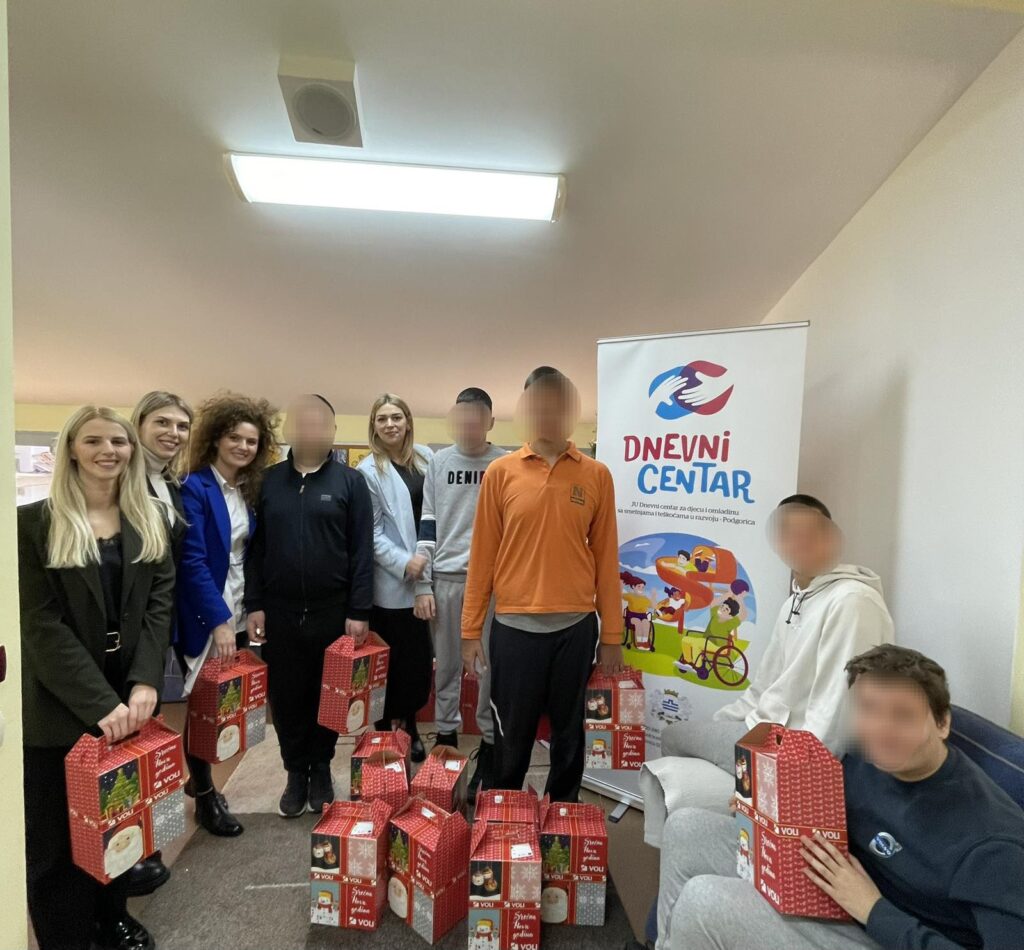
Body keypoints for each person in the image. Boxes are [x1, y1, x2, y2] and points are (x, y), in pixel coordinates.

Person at [645, 645, 1024, 950]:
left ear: (942, 723)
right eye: (868, 709)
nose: (880, 729)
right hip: (842, 891)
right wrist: (762, 811)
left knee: (706, 901)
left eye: (903, 716)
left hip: (888, 929)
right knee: (686, 828)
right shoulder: (864, 757)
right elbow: (829, 821)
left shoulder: (993, 846)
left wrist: (873, 909)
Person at [640, 494, 894, 845]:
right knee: (679, 735)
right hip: (764, 731)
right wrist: (723, 723)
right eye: (788, 533)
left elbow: (837, 713)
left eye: (811, 532)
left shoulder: (852, 602)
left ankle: (735, 825)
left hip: (792, 752)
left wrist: (781, 784)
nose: (799, 543)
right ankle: (693, 833)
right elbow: (764, 687)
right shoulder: (796, 600)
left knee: (675, 738)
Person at [19, 407, 174, 950]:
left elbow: (159, 605)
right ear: (71, 449)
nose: (108, 450)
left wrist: (146, 681)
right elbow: (40, 625)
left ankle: (113, 918)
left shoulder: (150, 519)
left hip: (130, 689)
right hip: (61, 699)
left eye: (119, 441)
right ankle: (66, 935)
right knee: (57, 839)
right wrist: (100, 703)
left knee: (119, 818)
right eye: (93, 441)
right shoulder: (30, 524)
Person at [461, 366, 624, 803]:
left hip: (576, 629)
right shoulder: (501, 472)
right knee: (511, 737)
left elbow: (606, 558)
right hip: (515, 629)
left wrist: (611, 635)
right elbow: (482, 557)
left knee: (570, 737)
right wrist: (470, 630)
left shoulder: (596, 475)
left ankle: (562, 820)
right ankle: (504, 819)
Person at [246, 394, 374, 816]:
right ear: (290, 430)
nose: (312, 430)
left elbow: (362, 551)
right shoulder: (267, 482)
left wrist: (359, 610)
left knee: (329, 696)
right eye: (303, 422)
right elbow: (255, 550)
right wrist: (255, 603)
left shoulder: (351, 483)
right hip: (279, 613)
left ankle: (320, 768)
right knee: (287, 698)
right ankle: (294, 771)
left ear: (333, 431)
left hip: (333, 612)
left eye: (321, 424)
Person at [176, 393, 279, 836]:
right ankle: (204, 796)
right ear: (216, 438)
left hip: (236, 607)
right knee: (203, 706)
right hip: (206, 613)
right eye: (234, 437)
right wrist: (218, 619)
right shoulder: (195, 487)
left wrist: (246, 609)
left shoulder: (245, 489)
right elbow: (193, 560)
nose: (243, 446)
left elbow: (246, 554)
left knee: (222, 702)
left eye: (251, 441)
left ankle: (197, 779)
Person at [412, 388, 505, 795]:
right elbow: (428, 522)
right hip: (447, 578)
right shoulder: (439, 462)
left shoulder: (504, 463)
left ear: (489, 422)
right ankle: (447, 738)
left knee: (487, 667)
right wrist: (423, 583)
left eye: (476, 417)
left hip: (492, 583)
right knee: (447, 664)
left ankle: (489, 744)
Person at [123, 391, 193, 896]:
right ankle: (125, 849)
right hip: (125, 626)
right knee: (125, 733)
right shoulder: (122, 479)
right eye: (163, 422)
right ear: (140, 423)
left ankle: (144, 842)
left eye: (182, 426)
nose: (173, 433)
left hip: (159, 620)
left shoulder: (169, 483)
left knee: (148, 730)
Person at [357, 393, 434, 762]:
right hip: (391, 584)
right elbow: (371, 533)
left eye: (396, 417)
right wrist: (405, 563)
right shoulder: (368, 471)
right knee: (388, 663)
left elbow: (436, 515)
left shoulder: (427, 459)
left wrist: (424, 564)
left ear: (408, 421)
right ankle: (385, 729)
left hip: (427, 575)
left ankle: (412, 725)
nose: (390, 424)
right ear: (374, 426)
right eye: (382, 418)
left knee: (417, 664)